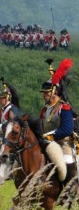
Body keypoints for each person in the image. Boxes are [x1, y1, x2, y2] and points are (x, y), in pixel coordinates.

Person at [39, 58, 76, 186]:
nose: (44, 95)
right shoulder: (45, 109)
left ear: (54, 91)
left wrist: (48, 136)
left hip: (63, 143)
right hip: (46, 143)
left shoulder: (64, 107)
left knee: (67, 162)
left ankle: (71, 189)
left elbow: (66, 130)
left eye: (46, 92)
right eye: (43, 93)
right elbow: (40, 125)